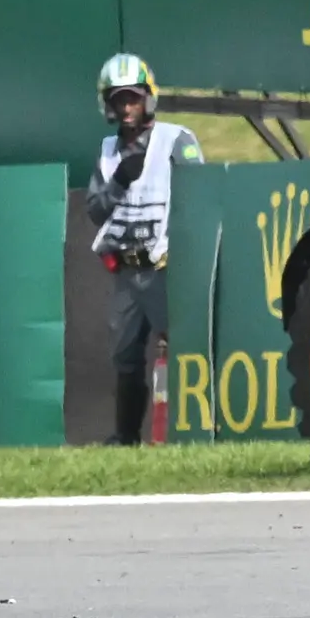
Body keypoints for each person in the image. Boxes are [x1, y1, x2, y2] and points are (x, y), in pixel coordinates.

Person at [87, 55, 201, 444]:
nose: (126, 107)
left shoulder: (177, 140)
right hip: (125, 269)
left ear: (148, 98)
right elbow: (94, 210)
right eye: (118, 100)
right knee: (125, 357)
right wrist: (118, 180)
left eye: (132, 98)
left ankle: (193, 430)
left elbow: (198, 195)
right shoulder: (107, 152)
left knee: (185, 347)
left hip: (166, 265)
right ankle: (126, 435)